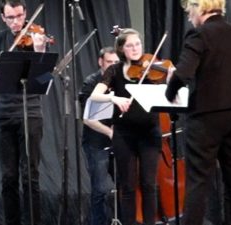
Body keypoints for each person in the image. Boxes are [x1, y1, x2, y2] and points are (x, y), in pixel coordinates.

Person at [164, 0, 231, 224]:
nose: (189, 17)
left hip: (208, 116)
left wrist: (170, 90)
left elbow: (183, 74)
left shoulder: (199, 35)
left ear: (199, 8)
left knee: (198, 182)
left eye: (189, 11)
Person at [0, 0, 50, 224]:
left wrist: (40, 49)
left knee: (31, 175)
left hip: (31, 111)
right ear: (3, 17)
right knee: (8, 177)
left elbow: (44, 77)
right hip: (6, 113)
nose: (16, 22)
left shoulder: (36, 34)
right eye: (10, 18)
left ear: (25, 13)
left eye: (19, 16)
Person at [88, 29, 162, 225]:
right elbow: (95, 95)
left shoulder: (153, 68)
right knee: (127, 186)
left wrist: (171, 76)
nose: (135, 48)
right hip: (124, 134)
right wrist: (113, 97)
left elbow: (172, 89)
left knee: (149, 185)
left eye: (137, 44)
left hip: (149, 132)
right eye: (129, 45)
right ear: (121, 49)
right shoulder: (114, 71)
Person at [77, 47, 119, 225]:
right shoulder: (91, 83)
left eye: (116, 63)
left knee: (126, 187)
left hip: (119, 141)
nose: (113, 67)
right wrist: (110, 132)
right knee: (100, 190)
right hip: (97, 141)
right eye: (110, 63)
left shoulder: (122, 80)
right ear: (101, 62)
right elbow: (87, 119)